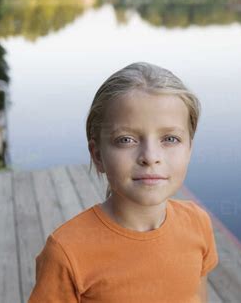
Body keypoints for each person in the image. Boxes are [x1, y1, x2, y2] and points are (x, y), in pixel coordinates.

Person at [28, 62, 219, 303]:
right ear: (97, 155)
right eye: (126, 139)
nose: (150, 157)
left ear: (189, 149)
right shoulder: (67, 252)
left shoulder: (197, 223)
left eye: (170, 138)